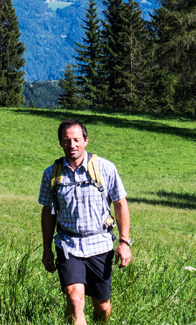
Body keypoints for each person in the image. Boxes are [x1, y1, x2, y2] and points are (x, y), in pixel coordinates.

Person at [39, 119, 131, 325]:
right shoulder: (51, 174)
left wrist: (124, 243)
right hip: (68, 245)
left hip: (100, 245)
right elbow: (48, 212)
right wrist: (47, 248)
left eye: (76, 140)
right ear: (60, 143)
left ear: (86, 141)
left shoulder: (105, 168)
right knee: (75, 299)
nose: (72, 145)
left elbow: (120, 203)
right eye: (66, 140)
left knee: (102, 306)